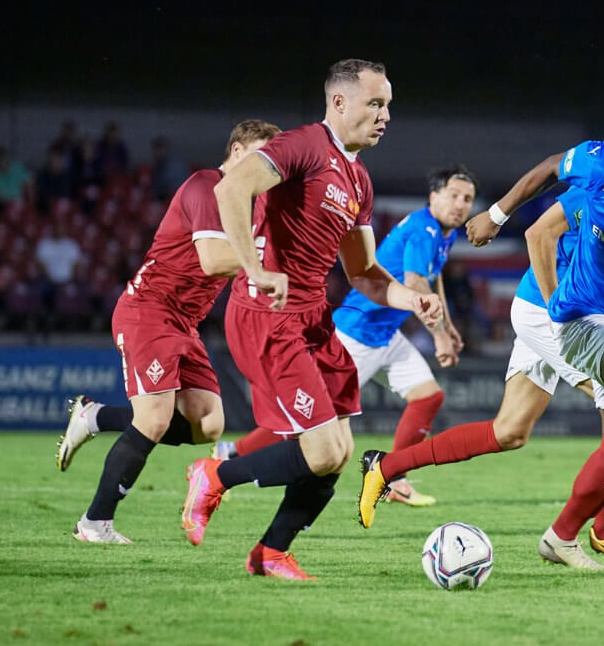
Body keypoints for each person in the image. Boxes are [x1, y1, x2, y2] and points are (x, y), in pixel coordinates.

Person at [358, 96, 604, 557]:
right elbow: (539, 231)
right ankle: (603, 524)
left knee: (509, 431)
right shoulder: (599, 175)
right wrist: (511, 237)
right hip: (555, 309)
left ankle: (385, 467)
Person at [179, 59, 443, 581]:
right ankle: (214, 475)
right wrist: (256, 269)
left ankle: (270, 553)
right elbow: (230, 190)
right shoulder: (302, 146)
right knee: (320, 452)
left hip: (313, 319)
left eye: (388, 105)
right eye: (375, 103)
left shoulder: (359, 179)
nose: (386, 115)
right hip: (268, 315)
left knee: (339, 452)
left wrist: (411, 300)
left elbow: (364, 272)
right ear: (339, 102)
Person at [56, 119, 282, 545]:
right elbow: (213, 259)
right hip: (149, 311)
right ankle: (94, 523)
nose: (267, 171)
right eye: (261, 158)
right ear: (237, 152)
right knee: (155, 420)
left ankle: (95, 416)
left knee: (208, 424)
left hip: (185, 322)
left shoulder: (253, 207)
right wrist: (267, 261)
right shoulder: (207, 187)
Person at [213, 165, 477, 507]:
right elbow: (415, 283)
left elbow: (432, 276)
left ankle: (393, 478)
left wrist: (448, 326)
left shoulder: (444, 234)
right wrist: (439, 336)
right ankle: (229, 453)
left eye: (467, 199)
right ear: (434, 196)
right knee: (309, 421)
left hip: (386, 335)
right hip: (356, 335)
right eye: (454, 195)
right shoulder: (422, 229)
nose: (460, 204)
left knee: (428, 398)